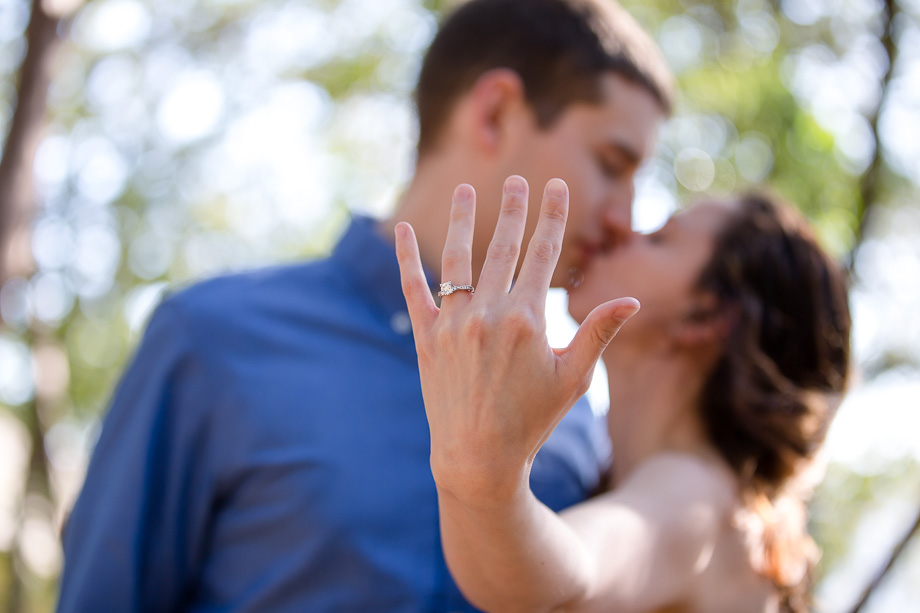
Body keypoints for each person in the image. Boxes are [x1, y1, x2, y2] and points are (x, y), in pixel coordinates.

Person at [57, 1, 674, 611]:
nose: (626, 218)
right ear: (496, 113)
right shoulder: (211, 341)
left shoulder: (573, 421)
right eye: (611, 164)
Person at [396, 176, 850, 613]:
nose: (620, 230)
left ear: (706, 314)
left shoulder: (696, 496)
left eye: (659, 238)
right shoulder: (632, 473)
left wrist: (482, 469)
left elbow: (563, 576)